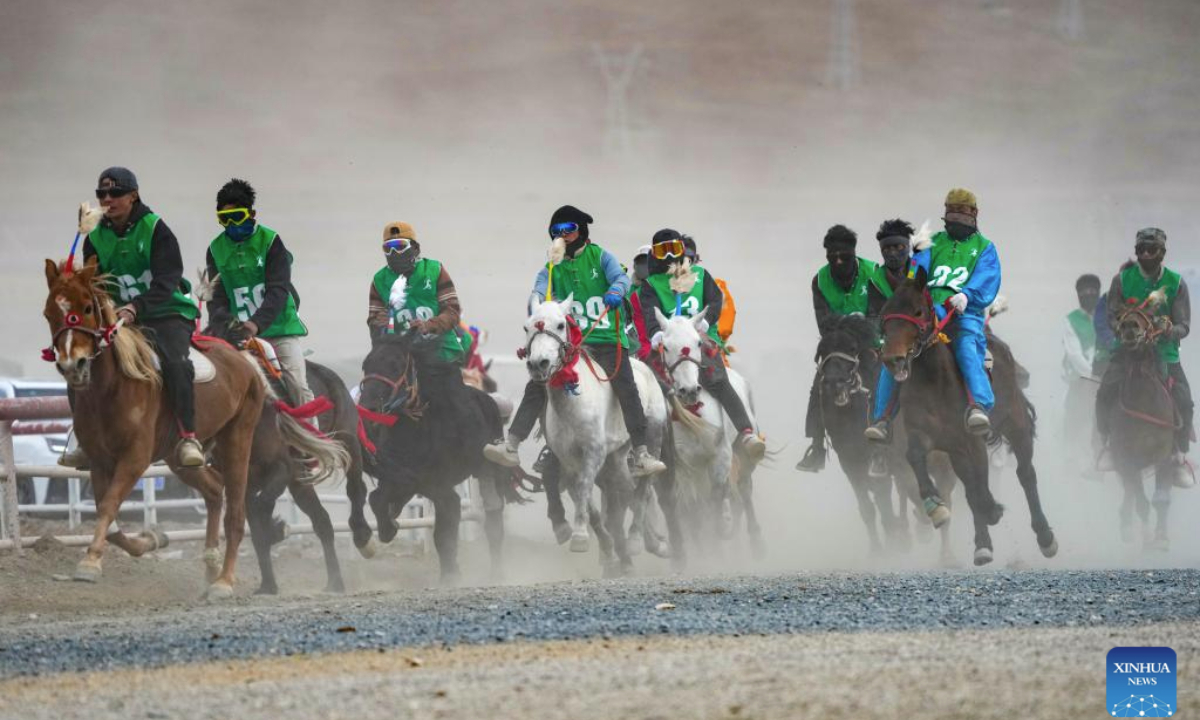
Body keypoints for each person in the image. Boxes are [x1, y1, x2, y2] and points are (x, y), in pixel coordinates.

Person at [484, 205, 666, 476]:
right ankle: (512, 444)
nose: (562, 236)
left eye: (568, 230)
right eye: (556, 232)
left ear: (581, 231)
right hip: (569, 344)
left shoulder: (601, 257)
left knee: (627, 388)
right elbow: (537, 293)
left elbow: (620, 278)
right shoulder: (550, 268)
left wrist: (616, 289)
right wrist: (539, 306)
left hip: (606, 338)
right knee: (537, 383)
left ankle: (640, 453)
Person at [61, 167, 203, 468]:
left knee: (176, 362)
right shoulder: (95, 237)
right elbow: (93, 282)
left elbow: (168, 279)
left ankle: (188, 436)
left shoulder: (155, 229)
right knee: (79, 362)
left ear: (133, 195)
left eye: (115, 193)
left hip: (167, 312)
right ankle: (86, 442)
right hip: (120, 318)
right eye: (102, 194)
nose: (107, 199)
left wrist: (136, 306)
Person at [866, 189, 1001, 442]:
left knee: (965, 346)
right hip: (929, 307)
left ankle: (978, 405)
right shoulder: (932, 242)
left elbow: (988, 277)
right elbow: (917, 270)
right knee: (895, 351)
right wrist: (912, 283)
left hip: (966, 311)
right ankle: (882, 419)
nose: (957, 217)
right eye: (952, 212)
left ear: (973, 214)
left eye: (963, 212)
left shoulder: (985, 248)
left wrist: (968, 296)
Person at [639, 229, 766, 460]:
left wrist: (707, 321)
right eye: (661, 251)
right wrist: (655, 332)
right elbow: (649, 312)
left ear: (681, 249)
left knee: (718, 379)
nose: (668, 256)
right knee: (645, 386)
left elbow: (716, 299)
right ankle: (641, 449)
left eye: (673, 249)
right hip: (668, 344)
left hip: (698, 340)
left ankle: (746, 432)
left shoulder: (700, 274)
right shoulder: (650, 285)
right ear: (654, 255)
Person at [1095, 228, 1193, 484]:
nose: (1146, 254)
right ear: (1136, 252)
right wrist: (1126, 328)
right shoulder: (1121, 280)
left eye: (1152, 249)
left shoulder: (1177, 283)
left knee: (1185, 398)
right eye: (1141, 250)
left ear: (1162, 253)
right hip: (1127, 353)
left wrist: (1169, 329)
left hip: (1164, 353)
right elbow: (1111, 316)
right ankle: (1106, 444)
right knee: (1104, 391)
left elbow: (1185, 326)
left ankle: (1179, 457)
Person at [205, 178, 313, 406]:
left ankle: (313, 439)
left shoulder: (271, 241)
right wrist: (225, 323)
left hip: (278, 331)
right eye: (225, 219)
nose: (233, 224)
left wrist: (255, 324)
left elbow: (278, 290)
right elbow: (217, 298)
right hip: (238, 335)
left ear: (252, 214)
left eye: (238, 216)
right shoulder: (214, 250)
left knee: (298, 387)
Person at [796, 225, 888, 472]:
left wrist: (855, 326)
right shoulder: (819, 280)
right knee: (818, 387)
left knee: (883, 382)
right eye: (832, 256)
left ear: (853, 253)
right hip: (838, 348)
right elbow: (824, 323)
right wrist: (855, 324)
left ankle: (883, 444)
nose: (837, 261)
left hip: (872, 346)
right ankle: (817, 446)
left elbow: (879, 315)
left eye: (843, 256)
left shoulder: (874, 273)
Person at [367, 221, 470, 364]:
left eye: (400, 246)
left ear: (415, 248)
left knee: (449, 386)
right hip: (398, 358)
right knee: (365, 386)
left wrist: (428, 326)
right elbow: (373, 322)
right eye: (388, 248)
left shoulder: (435, 270)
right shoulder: (379, 280)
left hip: (441, 353)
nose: (394, 253)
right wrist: (380, 324)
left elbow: (452, 312)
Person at [1062, 274, 1101, 457]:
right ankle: (1069, 454)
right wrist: (1093, 376)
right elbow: (1074, 354)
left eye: (1092, 290)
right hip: (1084, 378)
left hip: (1109, 373)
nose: (1088, 294)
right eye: (1084, 291)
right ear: (1078, 295)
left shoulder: (1108, 316)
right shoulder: (1071, 320)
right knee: (1073, 410)